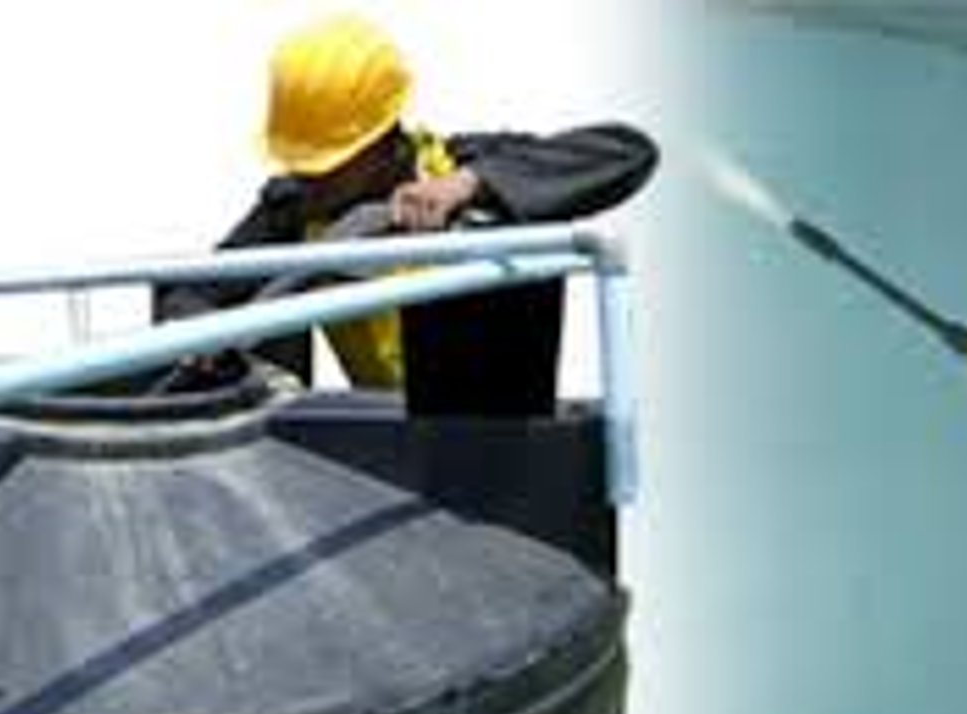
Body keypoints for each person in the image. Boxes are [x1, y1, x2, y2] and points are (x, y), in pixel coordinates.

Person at [153, 14, 657, 415]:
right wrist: (199, 333)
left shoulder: (467, 167)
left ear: (379, 144)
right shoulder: (295, 209)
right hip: (389, 449)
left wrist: (472, 185)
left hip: (495, 449)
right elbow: (193, 290)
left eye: (326, 164)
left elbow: (629, 152)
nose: (309, 179)